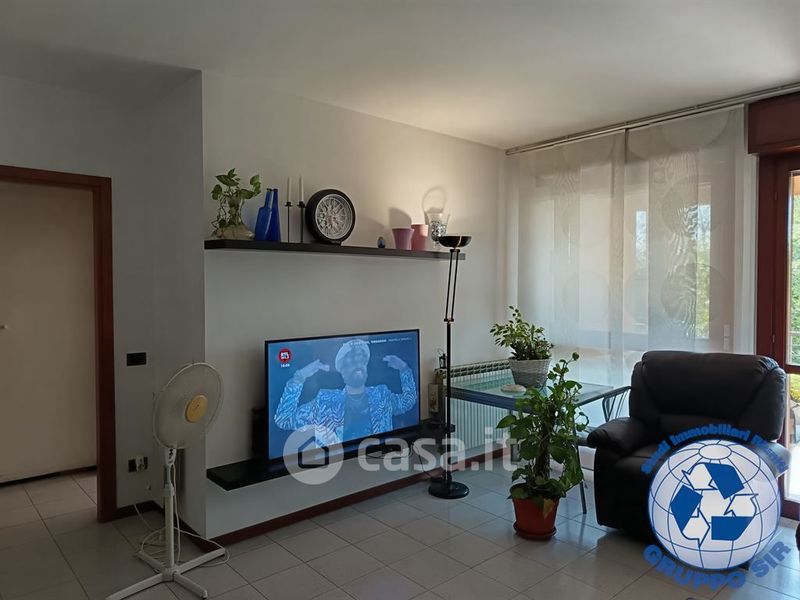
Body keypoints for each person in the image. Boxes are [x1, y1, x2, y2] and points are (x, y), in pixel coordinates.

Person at [275, 339, 416, 447]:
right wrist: (299, 377)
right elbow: (284, 419)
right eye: (350, 362)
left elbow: (408, 401)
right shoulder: (324, 401)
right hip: (334, 466)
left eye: (361, 360)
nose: (357, 365)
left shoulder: (382, 394)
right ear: (341, 371)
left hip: (380, 460)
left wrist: (404, 369)